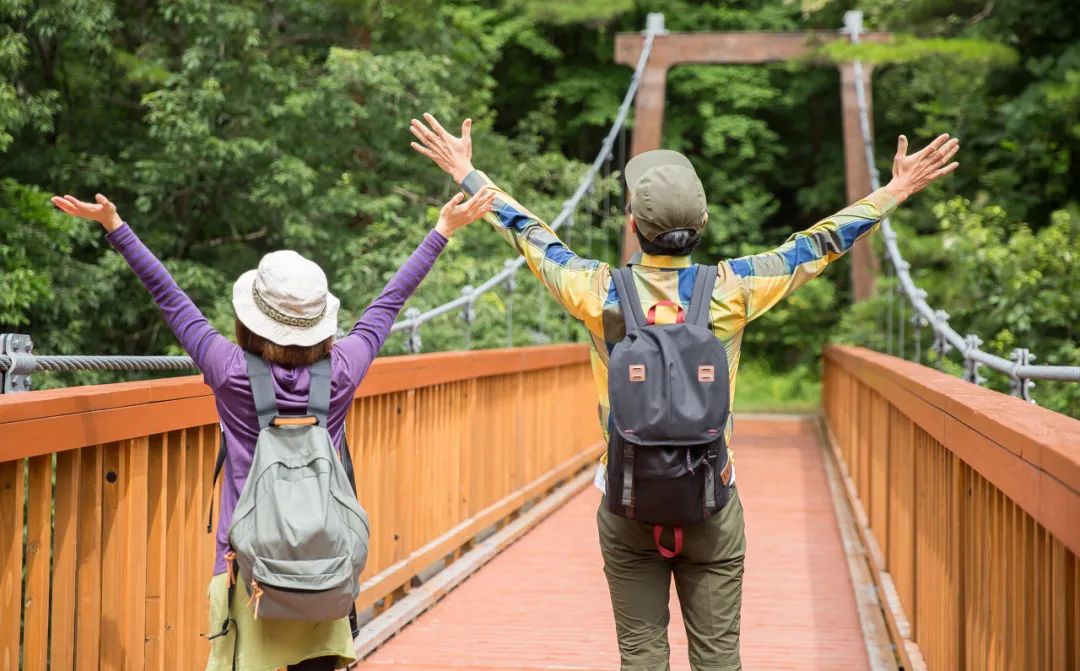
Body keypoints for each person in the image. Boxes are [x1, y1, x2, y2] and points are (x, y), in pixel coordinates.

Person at [409, 112, 959, 671]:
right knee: (719, 661)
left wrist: (467, 172)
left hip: (626, 499)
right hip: (711, 499)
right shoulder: (734, 289)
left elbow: (533, 236)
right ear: (704, 224)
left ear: (632, 224)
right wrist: (895, 189)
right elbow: (816, 245)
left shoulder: (597, 292)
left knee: (641, 658)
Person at [51, 187, 496, 671]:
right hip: (324, 566)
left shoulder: (228, 369)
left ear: (251, 318)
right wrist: (441, 231)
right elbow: (387, 305)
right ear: (320, 321)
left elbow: (171, 299)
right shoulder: (345, 366)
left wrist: (116, 227)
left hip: (248, 569)